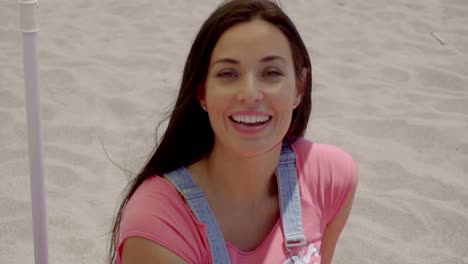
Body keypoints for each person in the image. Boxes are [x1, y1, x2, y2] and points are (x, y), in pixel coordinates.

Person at [108, 0, 358, 263]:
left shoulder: (332, 177)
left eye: (271, 72)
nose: (249, 93)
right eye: (228, 74)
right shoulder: (158, 223)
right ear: (202, 92)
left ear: (299, 88)